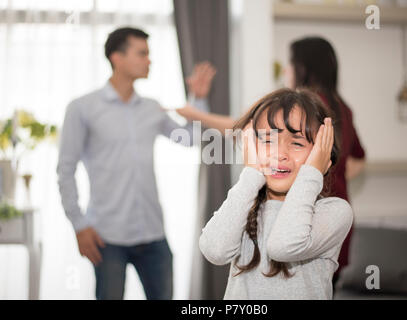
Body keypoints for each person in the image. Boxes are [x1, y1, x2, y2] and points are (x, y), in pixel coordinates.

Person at [57, 27, 216, 300]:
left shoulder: (151, 108)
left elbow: (189, 139)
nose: (149, 60)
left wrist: (198, 99)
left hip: (153, 235)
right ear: (117, 58)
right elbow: (65, 170)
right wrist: (79, 225)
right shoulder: (82, 108)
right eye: (142, 53)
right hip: (107, 237)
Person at [198, 88, 353, 299]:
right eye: (267, 140)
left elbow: (284, 246)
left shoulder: (334, 212)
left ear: (321, 155)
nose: (280, 154)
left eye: (297, 143)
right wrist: (251, 174)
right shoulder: (243, 206)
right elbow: (214, 250)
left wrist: (312, 173)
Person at [286, 37, 366, 285]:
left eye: (290, 63)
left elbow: (250, 126)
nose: (286, 70)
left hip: (310, 218)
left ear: (303, 68)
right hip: (339, 217)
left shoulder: (304, 106)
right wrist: (333, 173)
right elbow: (358, 160)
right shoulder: (343, 107)